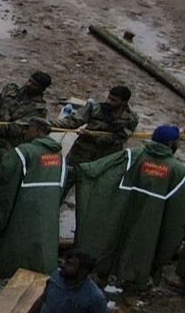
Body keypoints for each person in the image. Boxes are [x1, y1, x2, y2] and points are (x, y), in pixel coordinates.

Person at [71, 124, 184, 289]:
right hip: (150, 223)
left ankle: (103, 274)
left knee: (111, 241)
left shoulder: (132, 155)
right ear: (171, 143)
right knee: (141, 248)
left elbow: (96, 171)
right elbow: (177, 214)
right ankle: (133, 280)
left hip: (119, 213)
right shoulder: (179, 171)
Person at [0, 117, 67, 279]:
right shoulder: (59, 157)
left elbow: (4, 176)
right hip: (42, 211)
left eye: (28, 128)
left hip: (14, 203)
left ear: (38, 131)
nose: (24, 131)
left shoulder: (24, 151)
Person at [61, 85, 137, 197]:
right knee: (65, 183)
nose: (108, 101)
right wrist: (51, 124)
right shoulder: (95, 108)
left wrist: (93, 135)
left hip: (104, 160)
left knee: (92, 193)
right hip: (80, 155)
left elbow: (120, 138)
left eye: (113, 100)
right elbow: (73, 122)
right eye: (109, 98)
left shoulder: (131, 118)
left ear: (124, 102)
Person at [0, 72, 52, 148]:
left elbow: (16, 129)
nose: (28, 84)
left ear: (41, 89)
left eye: (34, 84)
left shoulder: (39, 110)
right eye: (29, 81)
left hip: (7, 142)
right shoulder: (11, 90)